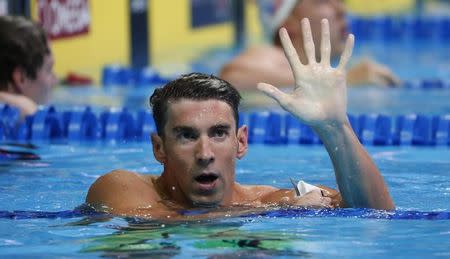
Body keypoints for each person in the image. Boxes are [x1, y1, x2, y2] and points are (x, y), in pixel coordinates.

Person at [85, 18, 395, 220]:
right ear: (159, 148)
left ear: (241, 141)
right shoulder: (121, 187)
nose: (205, 153)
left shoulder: (273, 199)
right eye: (186, 136)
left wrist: (336, 128)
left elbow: (376, 215)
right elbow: (148, 223)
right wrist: (268, 213)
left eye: (219, 133)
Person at [220, 0, 401, 90]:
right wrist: (340, 80)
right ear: (288, 24)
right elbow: (233, 75)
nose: (341, 10)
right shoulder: (273, 55)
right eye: (322, 1)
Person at [0, 15, 57, 119]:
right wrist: (27, 109)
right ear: (21, 77)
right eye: (48, 70)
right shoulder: (28, 114)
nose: (55, 81)